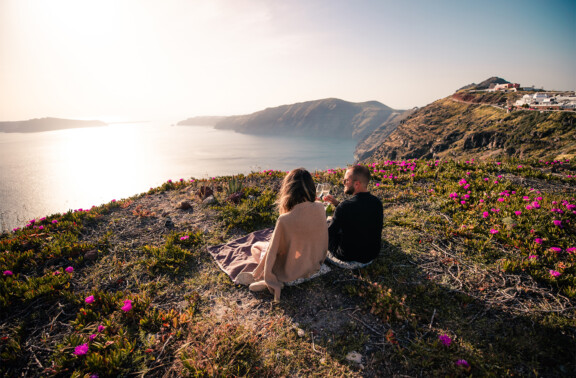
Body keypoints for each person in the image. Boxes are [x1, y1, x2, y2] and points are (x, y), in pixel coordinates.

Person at [235, 168, 329, 301]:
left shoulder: (285, 220)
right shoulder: (320, 207)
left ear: (288, 190)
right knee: (273, 245)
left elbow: (273, 251)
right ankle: (267, 277)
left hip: (290, 270)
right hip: (313, 263)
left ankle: (266, 278)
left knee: (256, 247)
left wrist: (268, 269)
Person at [323, 165, 383, 268]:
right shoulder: (377, 202)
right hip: (371, 254)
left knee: (327, 225)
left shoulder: (345, 207)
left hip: (347, 255)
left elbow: (328, 235)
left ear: (356, 184)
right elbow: (357, 213)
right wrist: (336, 203)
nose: (343, 183)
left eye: (346, 180)